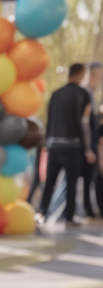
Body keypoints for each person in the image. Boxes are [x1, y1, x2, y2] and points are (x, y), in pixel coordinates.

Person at [36, 63, 95, 229]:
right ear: (81, 74)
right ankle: (69, 217)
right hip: (73, 146)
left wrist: (47, 143)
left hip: (54, 145)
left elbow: (49, 120)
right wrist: (87, 149)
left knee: (49, 182)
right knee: (71, 183)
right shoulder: (83, 94)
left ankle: (42, 213)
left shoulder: (55, 94)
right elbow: (84, 123)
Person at [81, 62, 102, 218]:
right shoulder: (86, 93)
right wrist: (88, 148)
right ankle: (89, 209)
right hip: (88, 145)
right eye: (100, 76)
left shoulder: (90, 93)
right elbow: (85, 123)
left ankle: (89, 208)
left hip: (90, 143)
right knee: (91, 177)